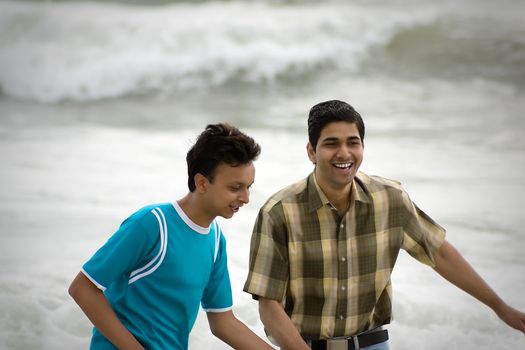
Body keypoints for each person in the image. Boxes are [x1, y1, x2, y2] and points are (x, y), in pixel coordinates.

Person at [243, 100, 525, 350]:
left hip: (372, 344)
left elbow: (439, 253)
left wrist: (501, 308)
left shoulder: (390, 200)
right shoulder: (279, 213)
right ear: (311, 152)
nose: (344, 153)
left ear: (362, 147)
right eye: (331, 143)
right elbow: (269, 305)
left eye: (353, 142)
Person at [69, 123, 274, 350]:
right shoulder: (152, 223)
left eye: (249, 187)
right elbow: (83, 289)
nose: (245, 198)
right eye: (236, 187)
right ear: (202, 183)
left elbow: (223, 322)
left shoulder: (215, 239)